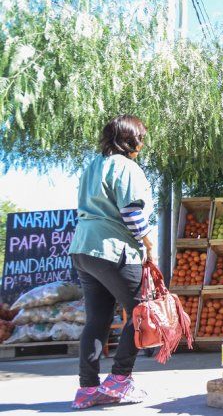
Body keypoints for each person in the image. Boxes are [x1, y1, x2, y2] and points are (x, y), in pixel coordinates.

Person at [69, 115, 155, 409]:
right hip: (114, 248)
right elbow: (132, 212)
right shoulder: (127, 168)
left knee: (97, 320)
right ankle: (119, 380)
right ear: (130, 140)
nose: (142, 144)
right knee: (140, 312)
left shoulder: (92, 166)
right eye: (140, 138)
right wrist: (149, 243)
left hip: (83, 248)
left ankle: (87, 389)